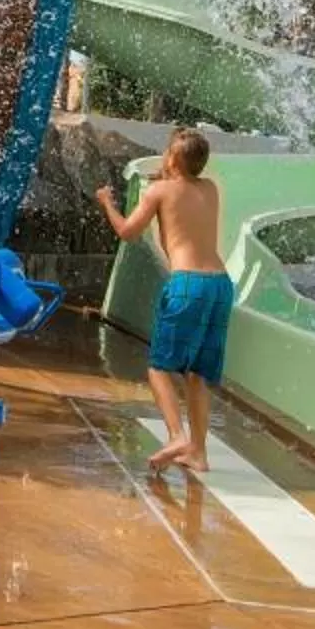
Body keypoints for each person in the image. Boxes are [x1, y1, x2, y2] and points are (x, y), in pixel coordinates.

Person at [95, 126, 231, 475]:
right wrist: (170, 173)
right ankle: (198, 453)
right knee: (197, 373)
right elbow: (183, 190)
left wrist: (107, 203)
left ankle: (176, 437)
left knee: (159, 368)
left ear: (171, 158)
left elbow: (128, 232)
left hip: (188, 284)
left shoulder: (159, 191)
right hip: (220, 285)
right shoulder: (210, 188)